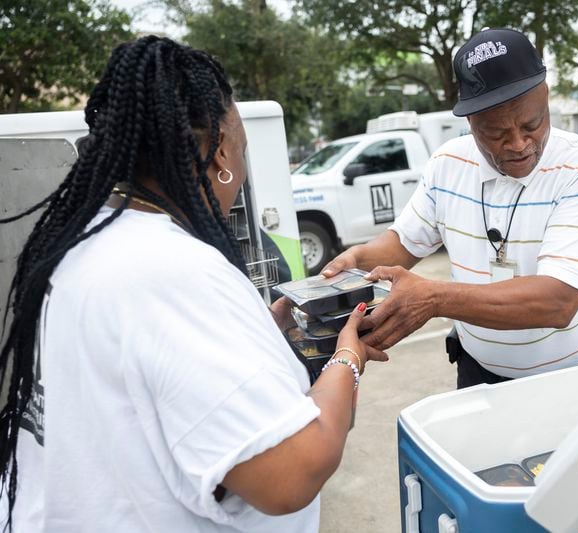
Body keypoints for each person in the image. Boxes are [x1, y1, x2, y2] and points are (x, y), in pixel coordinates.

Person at [0, 36, 386, 532]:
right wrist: (346, 359)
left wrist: (263, 333)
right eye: (242, 149)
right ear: (222, 154)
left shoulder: (86, 242)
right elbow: (292, 474)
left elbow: (152, 389)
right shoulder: (172, 271)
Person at [323, 28, 578, 389]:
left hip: (574, 377)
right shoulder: (447, 163)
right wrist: (355, 263)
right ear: (470, 122)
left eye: (533, 124)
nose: (518, 144)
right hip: (476, 373)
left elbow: (558, 301)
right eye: (495, 133)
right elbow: (400, 246)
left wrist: (433, 298)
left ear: (546, 97)